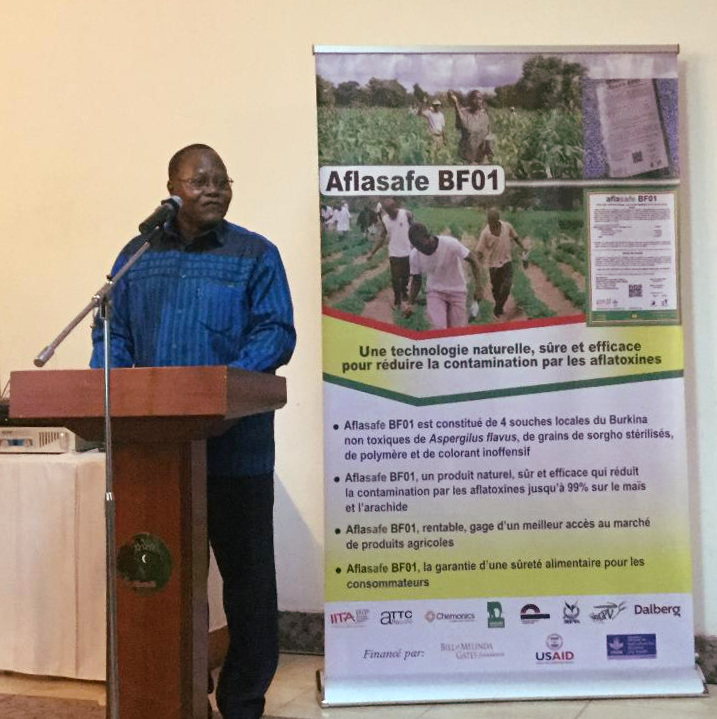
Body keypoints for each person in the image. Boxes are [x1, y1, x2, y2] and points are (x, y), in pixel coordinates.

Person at [90, 144, 296, 719]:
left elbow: (276, 331)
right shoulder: (137, 256)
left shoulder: (256, 254)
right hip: (157, 457)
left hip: (237, 451)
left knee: (249, 586)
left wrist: (222, 390)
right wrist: (109, 384)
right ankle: (180, 694)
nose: (213, 189)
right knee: (169, 582)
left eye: (221, 180)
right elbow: (112, 337)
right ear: (171, 188)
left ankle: (242, 701)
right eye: (199, 180)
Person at [403, 223, 481, 330]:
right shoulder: (414, 255)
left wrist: (479, 287)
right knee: (438, 329)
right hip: (435, 292)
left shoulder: (450, 243)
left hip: (457, 290)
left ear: (428, 236)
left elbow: (473, 260)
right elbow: (416, 280)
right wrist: (410, 303)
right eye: (417, 247)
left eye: (422, 245)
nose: (421, 250)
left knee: (457, 330)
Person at [475, 207, 527, 317]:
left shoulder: (507, 226)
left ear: (498, 220)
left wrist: (523, 247)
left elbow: (516, 237)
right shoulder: (485, 233)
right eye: (489, 221)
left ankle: (497, 308)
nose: (490, 224)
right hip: (493, 265)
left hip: (507, 261)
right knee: (496, 288)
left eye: (493, 221)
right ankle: (500, 307)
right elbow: (479, 251)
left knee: (507, 286)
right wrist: (477, 261)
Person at [367, 198, 413, 307]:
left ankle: (404, 292)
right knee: (395, 278)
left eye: (392, 211)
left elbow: (414, 229)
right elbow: (382, 237)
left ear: (395, 206)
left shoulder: (406, 214)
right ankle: (397, 299)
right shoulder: (385, 219)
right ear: (385, 211)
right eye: (388, 211)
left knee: (406, 276)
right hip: (394, 253)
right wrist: (372, 252)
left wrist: (418, 246)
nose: (391, 214)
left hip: (407, 251)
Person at [448, 90, 494, 163]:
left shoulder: (485, 116)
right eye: (475, 98)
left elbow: (488, 133)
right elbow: (461, 124)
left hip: (481, 157)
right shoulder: (465, 114)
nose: (477, 101)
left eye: (480, 99)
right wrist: (456, 104)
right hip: (466, 157)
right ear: (470, 100)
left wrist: (489, 147)